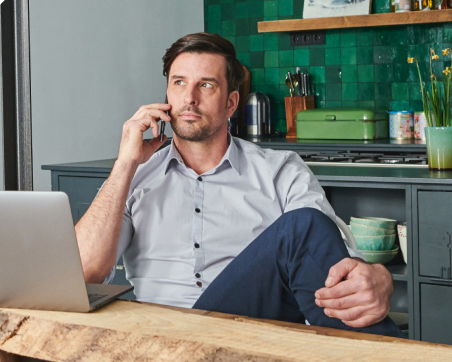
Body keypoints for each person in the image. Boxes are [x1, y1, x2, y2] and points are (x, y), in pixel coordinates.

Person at [75, 32, 403, 337]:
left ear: (231, 104)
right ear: (166, 96)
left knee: (303, 227)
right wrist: (124, 165)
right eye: (179, 83)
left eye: (206, 86)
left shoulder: (280, 171)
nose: (189, 98)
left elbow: (336, 262)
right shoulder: (135, 176)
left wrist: (376, 277)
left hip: (251, 337)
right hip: (164, 340)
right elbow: (84, 272)